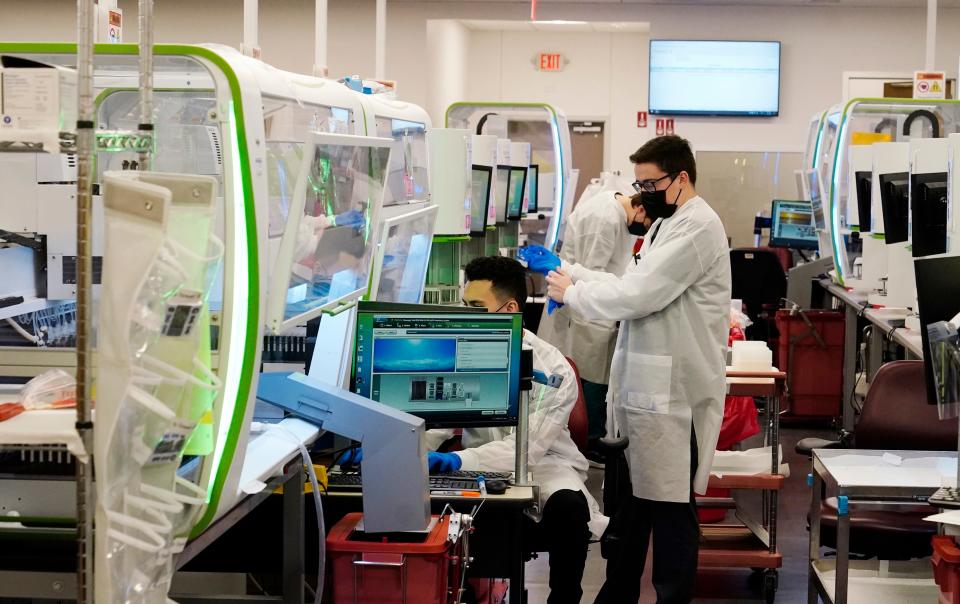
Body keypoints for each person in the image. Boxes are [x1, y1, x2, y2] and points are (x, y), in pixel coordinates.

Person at [544, 135, 731, 604]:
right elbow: (632, 282)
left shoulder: (696, 228)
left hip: (673, 398)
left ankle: (669, 598)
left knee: (670, 515)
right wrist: (575, 272)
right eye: (639, 183)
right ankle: (616, 595)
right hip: (647, 393)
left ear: (681, 178)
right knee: (632, 510)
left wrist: (573, 294)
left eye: (651, 183)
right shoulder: (668, 225)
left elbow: (637, 298)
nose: (642, 193)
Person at [428, 256, 607, 604]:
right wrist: (404, 446)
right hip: (474, 466)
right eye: (465, 306)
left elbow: (525, 450)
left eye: (477, 307)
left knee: (569, 507)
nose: (467, 316)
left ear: (509, 309)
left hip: (544, 468)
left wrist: (455, 461)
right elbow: (434, 417)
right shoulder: (454, 350)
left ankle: (565, 597)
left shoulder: (550, 367)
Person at [535, 186, 640, 455]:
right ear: (640, 209)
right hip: (584, 312)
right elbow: (590, 276)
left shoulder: (616, 207)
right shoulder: (605, 219)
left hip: (590, 308)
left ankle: (590, 439)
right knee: (588, 377)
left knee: (592, 373)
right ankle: (589, 444)